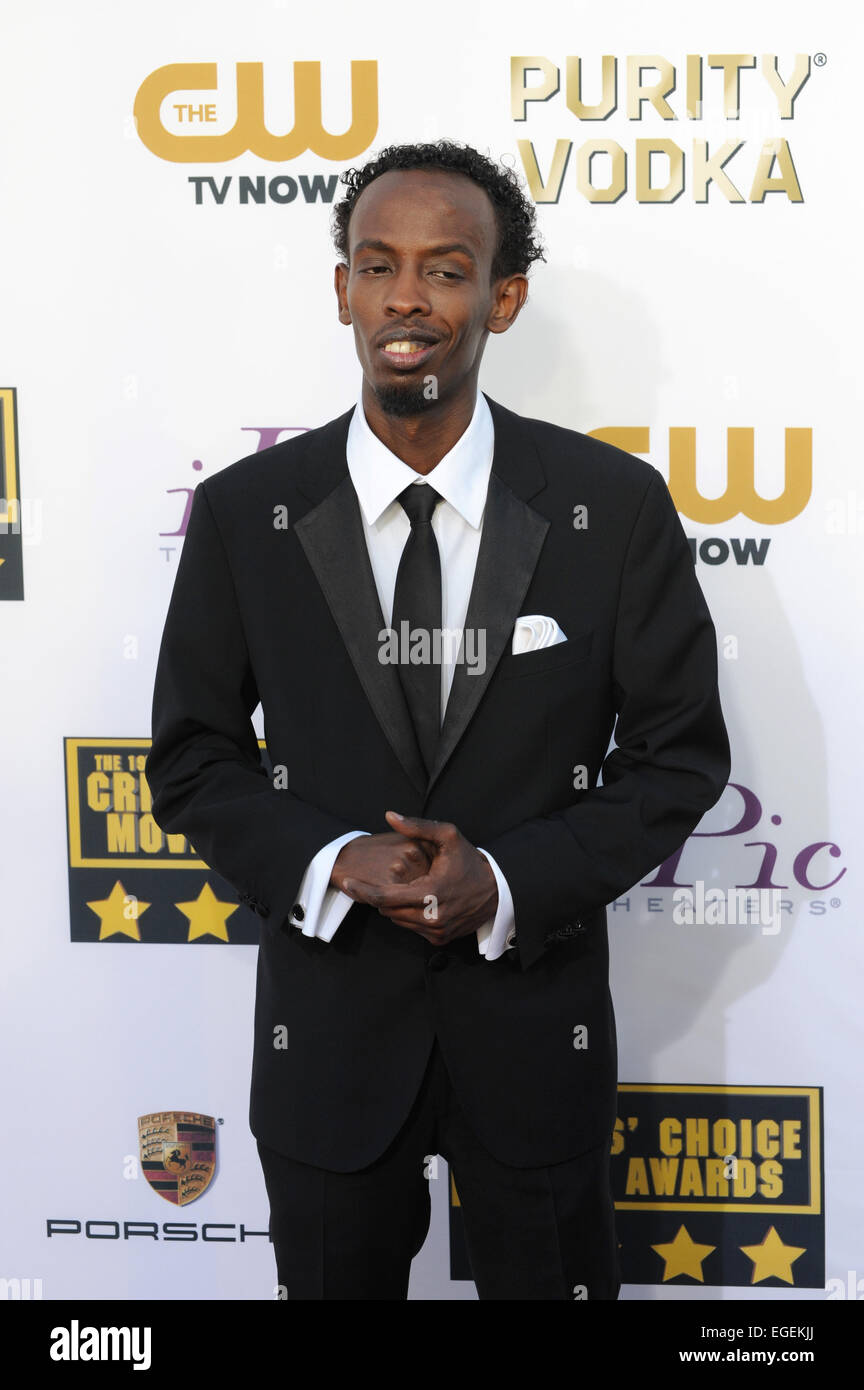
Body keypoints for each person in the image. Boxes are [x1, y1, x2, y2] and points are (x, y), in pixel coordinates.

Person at [145, 140, 731, 1300]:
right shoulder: (245, 512)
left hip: (534, 1027)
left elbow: (678, 756)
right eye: (378, 264)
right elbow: (194, 756)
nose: (406, 296)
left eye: (447, 268)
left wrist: (508, 878)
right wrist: (331, 858)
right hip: (327, 1036)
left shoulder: (610, 509)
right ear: (344, 290)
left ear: (502, 298)